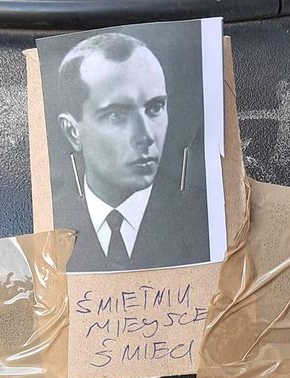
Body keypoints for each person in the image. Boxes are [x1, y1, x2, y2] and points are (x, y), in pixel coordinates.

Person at [53, 32, 209, 273]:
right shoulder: (49, 223)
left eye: (155, 107)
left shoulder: (204, 221)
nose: (145, 136)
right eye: (116, 115)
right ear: (73, 132)